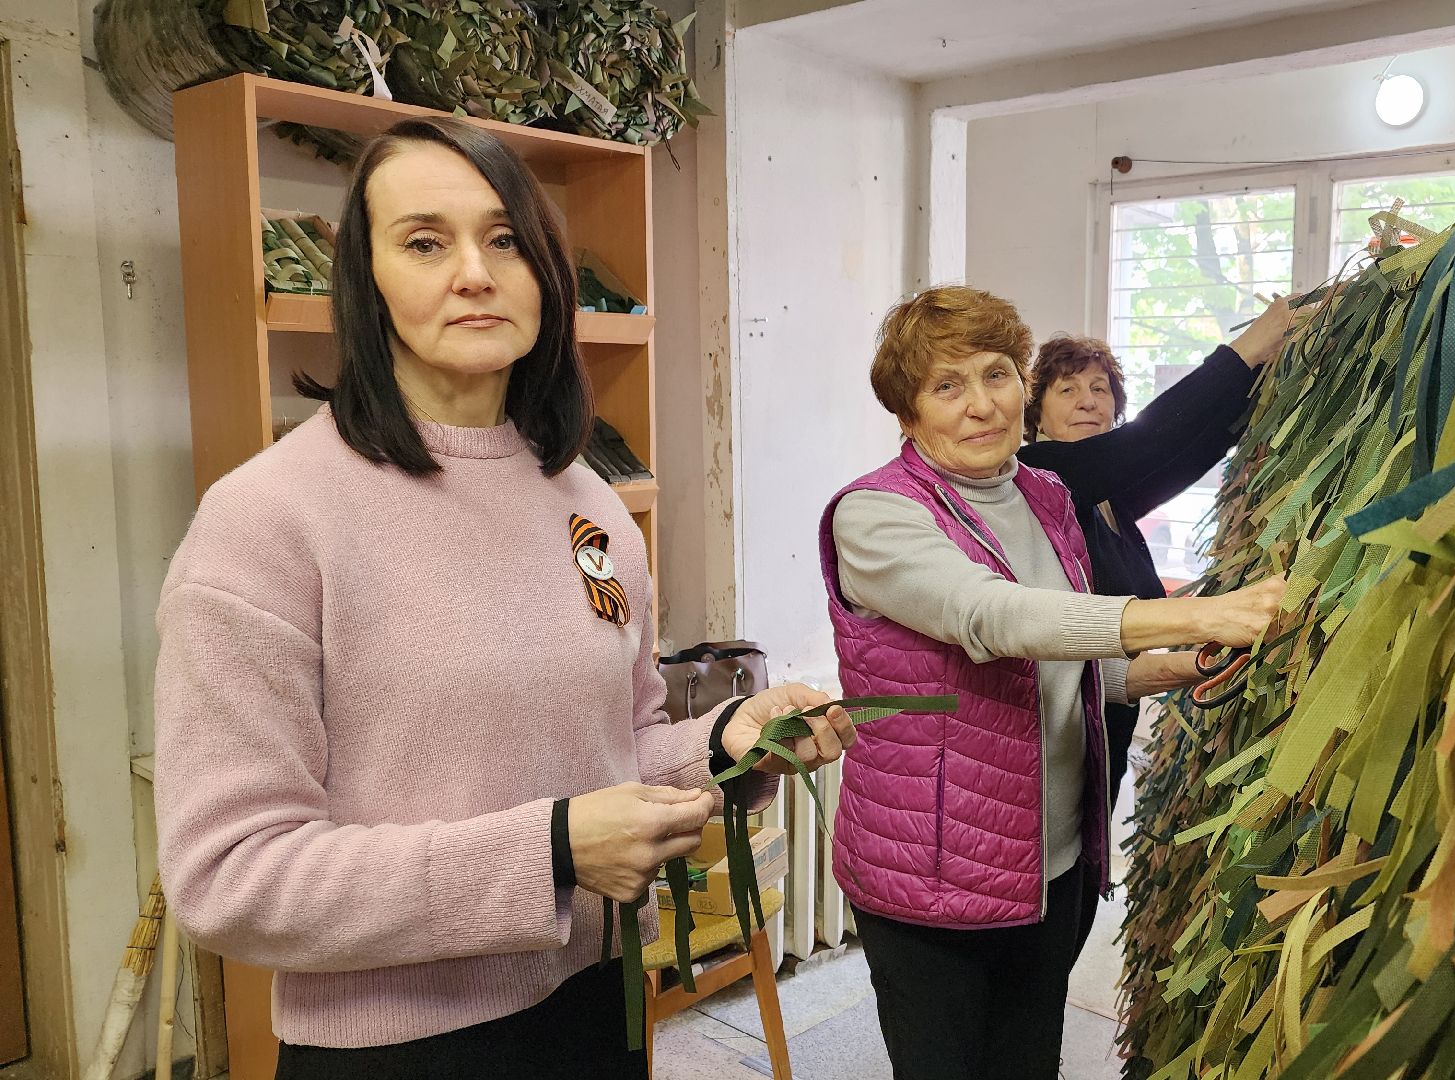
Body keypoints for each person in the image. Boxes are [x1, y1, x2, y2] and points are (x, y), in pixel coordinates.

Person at [154, 116, 855, 1078]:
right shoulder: (269, 520)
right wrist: (555, 850)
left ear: (546, 276)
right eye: (425, 242)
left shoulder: (588, 502)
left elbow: (621, 743)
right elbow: (229, 874)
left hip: (596, 1005)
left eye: (505, 239)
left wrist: (730, 742)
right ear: (365, 284)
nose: (474, 273)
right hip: (402, 1048)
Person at [819, 285, 1286, 1080]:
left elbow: (1078, 667)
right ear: (907, 415)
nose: (980, 406)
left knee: (1028, 1064)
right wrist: (1194, 616)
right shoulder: (875, 515)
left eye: (996, 375)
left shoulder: (1046, 494)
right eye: (946, 386)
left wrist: (1179, 666)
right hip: (936, 876)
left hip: (1052, 861)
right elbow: (996, 618)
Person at [1018, 300, 1305, 811]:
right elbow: (1150, 441)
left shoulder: (1110, 499)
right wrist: (1243, 349)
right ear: (1035, 413)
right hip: (1043, 745)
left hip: (1104, 732)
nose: (1088, 401)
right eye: (1068, 389)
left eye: (1099, 389)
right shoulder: (1036, 475)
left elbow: (1194, 446)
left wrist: (1267, 373)